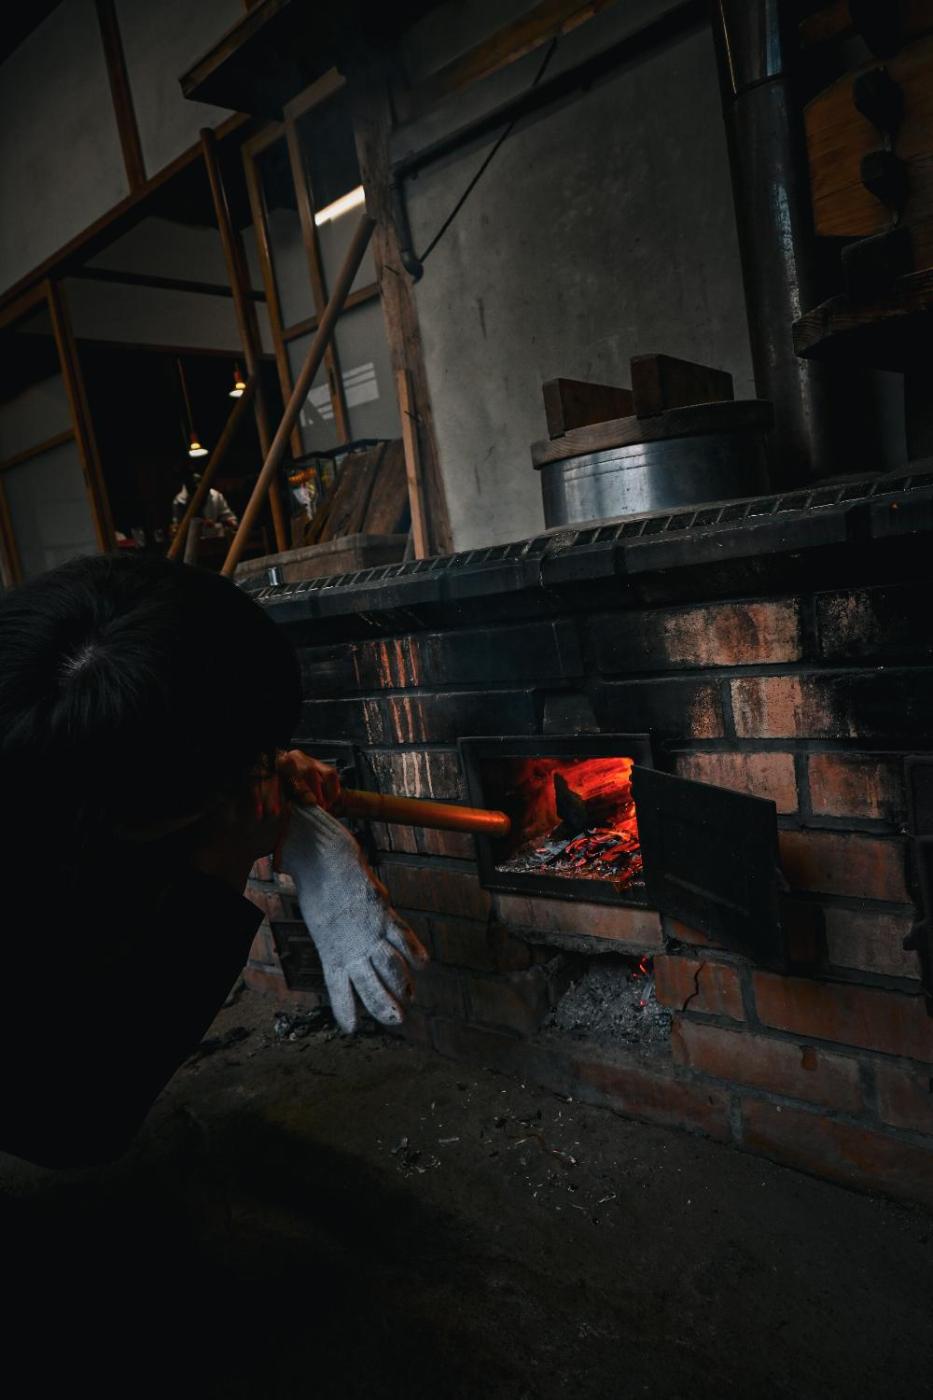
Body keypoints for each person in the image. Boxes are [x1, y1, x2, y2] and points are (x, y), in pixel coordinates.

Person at [0, 553, 425, 1168]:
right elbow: (75, 1125)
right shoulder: (32, 903)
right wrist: (225, 857)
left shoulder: (66, 773)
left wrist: (300, 822)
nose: (263, 768)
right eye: (235, 775)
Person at [171, 468, 238, 539]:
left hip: (214, 540)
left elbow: (232, 521)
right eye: (196, 488)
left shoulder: (216, 496)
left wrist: (219, 525)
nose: (200, 492)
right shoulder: (179, 501)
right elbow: (178, 528)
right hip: (190, 541)